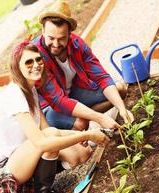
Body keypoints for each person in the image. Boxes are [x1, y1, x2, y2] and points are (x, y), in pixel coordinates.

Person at [0, 41, 110, 193]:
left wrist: (78, 137)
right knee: (50, 138)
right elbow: (43, 141)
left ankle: (37, 180)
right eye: (29, 62)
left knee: (82, 153)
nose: (36, 65)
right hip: (5, 165)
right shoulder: (14, 95)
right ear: (17, 67)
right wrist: (87, 136)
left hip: (25, 151)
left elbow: (45, 129)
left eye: (38, 59)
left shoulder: (31, 90)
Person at [33, 0, 134, 131]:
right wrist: (99, 118)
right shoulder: (37, 56)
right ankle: (81, 121)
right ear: (43, 31)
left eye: (62, 38)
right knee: (81, 124)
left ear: (70, 34)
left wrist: (122, 108)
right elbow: (58, 100)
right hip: (50, 106)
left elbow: (101, 77)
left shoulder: (77, 44)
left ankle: (85, 116)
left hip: (72, 93)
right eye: (51, 38)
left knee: (119, 90)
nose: (56, 44)